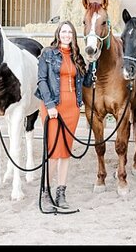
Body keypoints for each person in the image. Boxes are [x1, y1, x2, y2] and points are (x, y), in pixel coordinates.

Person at [36, 20, 86, 213]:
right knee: (54, 153)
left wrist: (93, 69)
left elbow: (83, 81)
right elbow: (41, 80)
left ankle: (61, 193)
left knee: (65, 152)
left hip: (72, 109)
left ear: (73, 36)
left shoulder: (76, 56)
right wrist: (49, 105)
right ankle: (46, 193)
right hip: (53, 109)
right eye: (63, 32)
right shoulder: (48, 54)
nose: (66, 35)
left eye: (69, 32)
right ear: (58, 34)